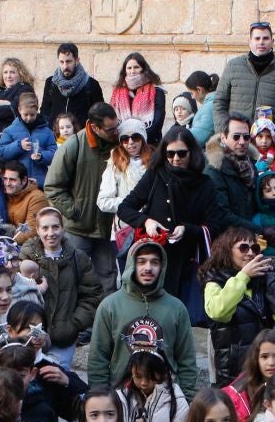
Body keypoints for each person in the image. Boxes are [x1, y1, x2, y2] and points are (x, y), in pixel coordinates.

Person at [117, 126, 234, 322]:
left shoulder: (204, 183)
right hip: (155, 259)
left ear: (192, 153)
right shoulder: (155, 175)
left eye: (181, 153)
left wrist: (188, 229)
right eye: (170, 154)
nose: (175, 159)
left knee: (179, 319)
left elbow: (215, 224)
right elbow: (125, 208)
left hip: (187, 263)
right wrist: (147, 221)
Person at [86, 239, 200, 396]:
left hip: (166, 398)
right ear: (132, 265)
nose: (148, 268)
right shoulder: (109, 306)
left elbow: (186, 360)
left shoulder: (176, 308)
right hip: (121, 396)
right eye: (142, 262)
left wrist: (186, 398)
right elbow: (98, 359)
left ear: (162, 266)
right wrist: (101, 398)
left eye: (154, 262)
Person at [43, 100, 120, 290]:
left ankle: (105, 318)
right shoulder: (74, 145)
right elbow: (52, 186)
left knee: (108, 276)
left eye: (116, 126)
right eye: (110, 129)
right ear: (95, 127)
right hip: (78, 227)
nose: (115, 132)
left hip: (106, 226)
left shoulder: (119, 145)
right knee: (72, 277)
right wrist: (73, 210)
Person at [18, 205, 99, 369]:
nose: (51, 233)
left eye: (55, 227)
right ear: (38, 230)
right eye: (45, 228)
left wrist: (74, 323)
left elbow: (92, 295)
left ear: (63, 228)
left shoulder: (79, 258)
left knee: (58, 380)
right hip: (31, 337)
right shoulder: (24, 257)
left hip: (63, 338)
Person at [199, 228, 273, 385]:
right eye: (243, 247)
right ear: (227, 251)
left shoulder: (261, 280)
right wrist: (243, 276)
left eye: (255, 248)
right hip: (232, 371)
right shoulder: (215, 280)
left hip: (263, 366)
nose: (251, 253)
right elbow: (218, 312)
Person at [214, 21, 275, 130]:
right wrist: (224, 130)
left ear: (272, 41)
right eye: (257, 38)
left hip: (267, 140)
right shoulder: (233, 66)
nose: (261, 42)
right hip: (237, 138)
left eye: (265, 38)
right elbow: (219, 101)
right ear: (250, 42)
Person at [39, 41, 101, 129]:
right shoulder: (51, 83)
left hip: (80, 136)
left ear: (77, 60)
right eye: (61, 62)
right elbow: (45, 112)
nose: (65, 66)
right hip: (55, 137)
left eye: (68, 61)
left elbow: (98, 115)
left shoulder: (91, 84)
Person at [0, 57, 35, 144]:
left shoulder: (24, 88)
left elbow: (13, 109)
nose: (8, 76)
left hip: (11, 137)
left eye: (12, 72)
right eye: (5, 72)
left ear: (20, 74)